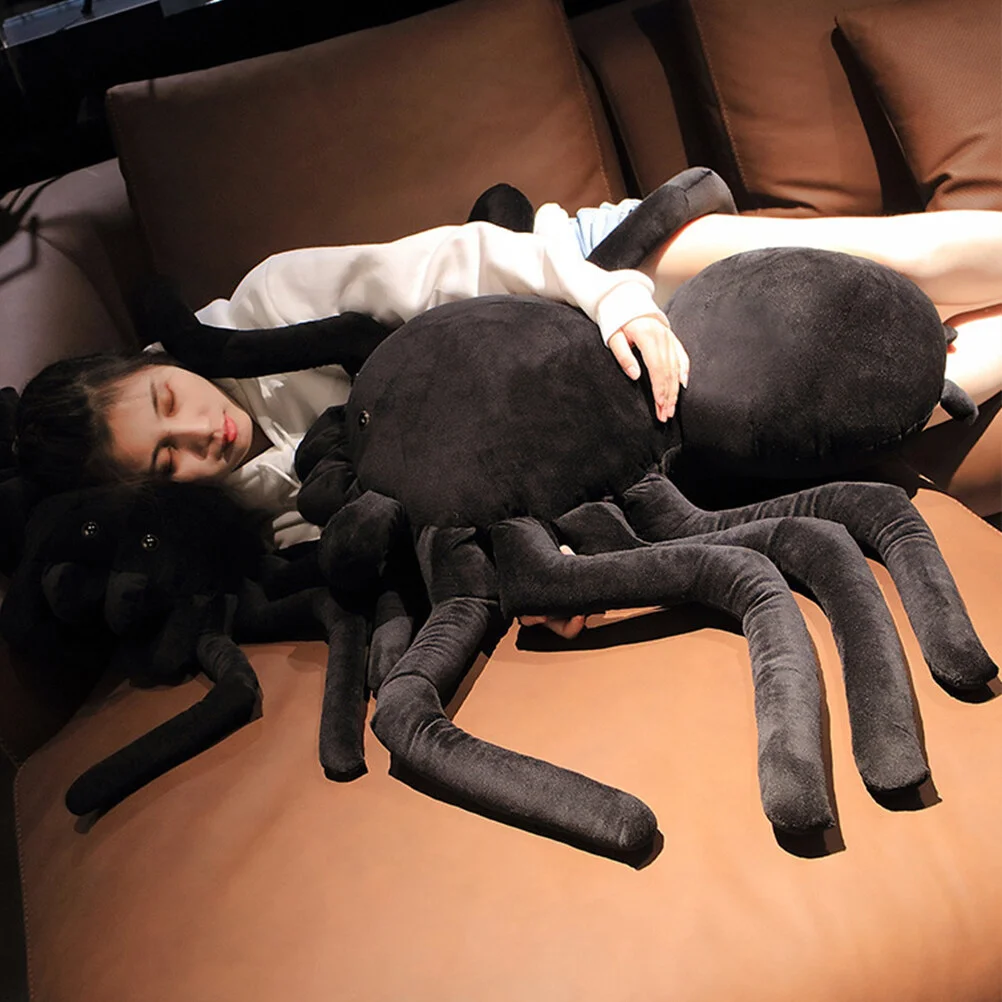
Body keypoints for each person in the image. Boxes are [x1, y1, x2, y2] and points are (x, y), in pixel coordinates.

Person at [15, 196, 1002, 636]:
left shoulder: (273, 300)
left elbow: (469, 260)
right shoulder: (262, 514)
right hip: (600, 424)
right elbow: (426, 527)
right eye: (167, 461)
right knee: (862, 400)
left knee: (896, 268)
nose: (200, 435)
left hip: (585, 276)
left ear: (149, 363)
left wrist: (619, 303)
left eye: (166, 402)